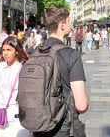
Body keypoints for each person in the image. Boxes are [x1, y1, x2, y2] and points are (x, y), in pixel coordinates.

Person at [28, 7, 88, 137]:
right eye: (68, 21)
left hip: (38, 126)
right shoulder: (72, 55)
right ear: (62, 25)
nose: (70, 25)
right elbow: (81, 105)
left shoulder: (35, 53)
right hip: (65, 128)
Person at [0, 36, 29, 137]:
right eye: (3, 50)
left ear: (17, 51)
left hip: (18, 118)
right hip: (2, 117)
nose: (5, 53)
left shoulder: (23, 68)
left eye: (9, 50)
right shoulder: (0, 67)